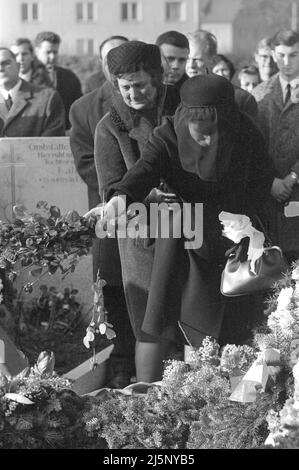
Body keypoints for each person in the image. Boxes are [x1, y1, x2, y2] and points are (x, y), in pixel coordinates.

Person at [89, 74, 274, 352]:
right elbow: (144, 170)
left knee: (236, 326)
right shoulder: (168, 135)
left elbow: (263, 179)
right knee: (183, 320)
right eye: (198, 132)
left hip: (237, 238)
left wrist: (247, 220)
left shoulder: (246, 132)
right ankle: (184, 386)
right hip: (186, 238)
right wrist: (120, 199)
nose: (208, 140)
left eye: (215, 131)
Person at [92, 40, 180, 382]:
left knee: (188, 318)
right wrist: (149, 197)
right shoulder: (109, 126)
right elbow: (111, 187)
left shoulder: (179, 107)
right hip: (141, 233)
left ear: (156, 78)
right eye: (125, 88)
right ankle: (150, 396)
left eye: (141, 85)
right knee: (149, 321)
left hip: (190, 227)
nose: (133, 94)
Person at [69, 35, 134, 388]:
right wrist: (122, 191)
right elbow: (85, 163)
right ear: (102, 64)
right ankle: (121, 360)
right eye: (111, 59)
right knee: (113, 286)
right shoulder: (83, 108)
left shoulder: (148, 98)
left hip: (152, 216)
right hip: (108, 214)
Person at [252, 30, 299, 262]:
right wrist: (269, 180)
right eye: (281, 55)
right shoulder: (261, 93)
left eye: (294, 55)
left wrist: (292, 177)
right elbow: (250, 145)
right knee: (270, 264)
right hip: (267, 192)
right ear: (273, 54)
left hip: (296, 189)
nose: (287, 62)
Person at [186, 30, 258, 120]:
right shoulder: (174, 95)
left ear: (214, 61)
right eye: (187, 59)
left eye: (197, 59)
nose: (191, 65)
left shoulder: (240, 99)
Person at [0, 48, 65, 137]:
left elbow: (51, 144)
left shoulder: (47, 98)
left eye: (6, 63)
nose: (0, 68)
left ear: (18, 66)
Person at [34, 31, 82, 130]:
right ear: (36, 51)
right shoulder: (27, 78)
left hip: (63, 134)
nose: (52, 57)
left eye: (55, 52)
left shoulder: (70, 77)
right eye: (48, 52)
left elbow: (79, 108)